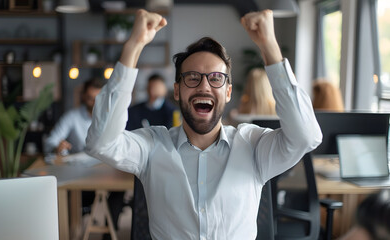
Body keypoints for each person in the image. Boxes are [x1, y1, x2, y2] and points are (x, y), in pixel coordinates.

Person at [86, 9, 322, 239]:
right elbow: (101, 142)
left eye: (216, 78)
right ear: (177, 90)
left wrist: (269, 46)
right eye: (192, 77)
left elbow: (306, 136)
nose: (204, 86)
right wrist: (133, 46)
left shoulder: (253, 145)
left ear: (228, 92)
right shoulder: (151, 146)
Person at [44, 77, 105, 155]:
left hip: (105, 164)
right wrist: (57, 147)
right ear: (83, 96)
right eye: (91, 99)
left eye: (99, 99)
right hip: (78, 164)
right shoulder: (72, 117)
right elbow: (51, 141)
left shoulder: (111, 117)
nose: (95, 103)